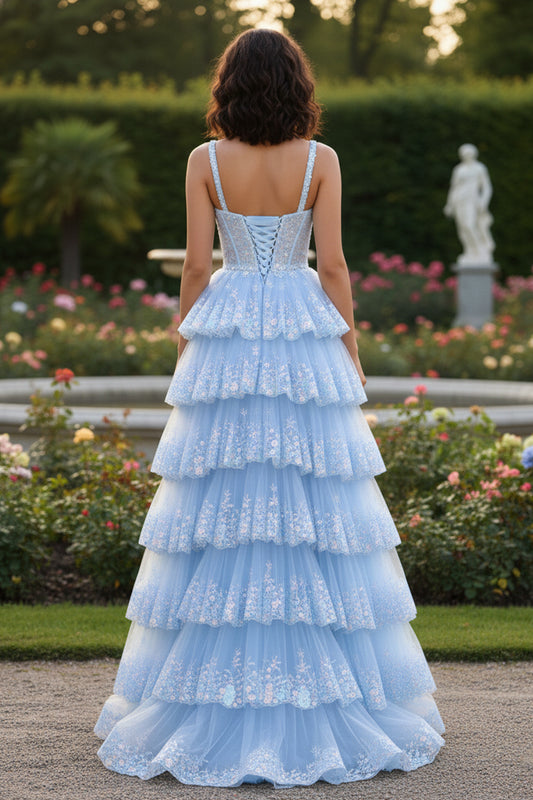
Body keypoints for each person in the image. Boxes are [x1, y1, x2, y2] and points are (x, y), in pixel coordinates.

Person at [94, 28, 444, 788]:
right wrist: (348, 350)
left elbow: (195, 264)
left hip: (228, 330)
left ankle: (208, 697)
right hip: (298, 329)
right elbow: (335, 264)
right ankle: (325, 690)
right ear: (296, 84)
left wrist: (188, 344)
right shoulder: (321, 160)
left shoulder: (203, 161)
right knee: (313, 501)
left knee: (221, 502)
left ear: (227, 86)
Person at [444, 143, 495, 265]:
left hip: (472, 200)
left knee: (469, 225)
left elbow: (487, 187)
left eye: (469, 153)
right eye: (465, 154)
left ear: (474, 154)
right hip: (459, 201)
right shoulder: (459, 169)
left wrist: (483, 202)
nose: (467, 156)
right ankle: (469, 251)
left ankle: (480, 250)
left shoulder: (479, 168)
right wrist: (449, 204)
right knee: (462, 229)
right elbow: (454, 188)